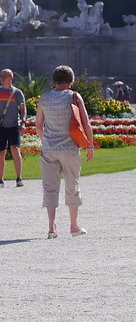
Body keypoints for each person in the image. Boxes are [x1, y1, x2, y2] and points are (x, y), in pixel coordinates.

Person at [38, 65, 95, 238]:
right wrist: (90, 145)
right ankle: (73, 226)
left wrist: (45, 140)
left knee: (50, 188)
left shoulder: (44, 98)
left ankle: (51, 227)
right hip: (70, 148)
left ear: (54, 81)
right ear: (70, 82)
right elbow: (85, 123)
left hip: (49, 149)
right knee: (72, 185)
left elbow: (39, 125)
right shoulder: (74, 96)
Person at [0, 68, 27, 187]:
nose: (2, 78)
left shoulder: (17, 92)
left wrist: (23, 122)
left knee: (15, 149)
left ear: (11, 78)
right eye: (1, 76)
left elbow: (23, 109)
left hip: (13, 125)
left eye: (5, 76)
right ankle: (0, 180)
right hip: (0, 126)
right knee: (0, 152)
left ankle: (19, 178)